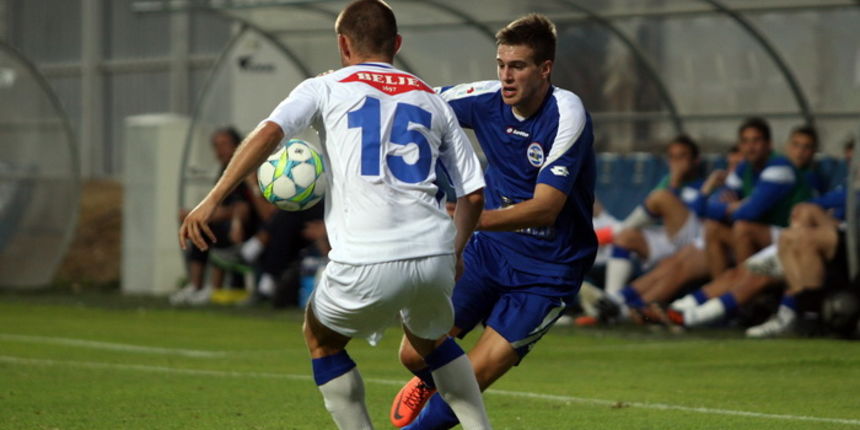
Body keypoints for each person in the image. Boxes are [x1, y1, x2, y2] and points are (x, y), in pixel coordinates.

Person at [179, 1, 492, 429]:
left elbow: (270, 133)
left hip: (367, 257)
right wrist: (454, 253)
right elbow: (473, 195)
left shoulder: (325, 87)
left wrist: (212, 198)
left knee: (320, 338)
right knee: (431, 343)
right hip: (434, 253)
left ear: (343, 45)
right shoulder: (431, 98)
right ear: (397, 44)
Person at [391, 14, 596, 429]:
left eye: (517, 66)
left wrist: (469, 218)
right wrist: (358, 83)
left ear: (545, 69)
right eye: (501, 65)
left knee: (475, 375)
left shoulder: (567, 113)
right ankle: (432, 382)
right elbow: (415, 100)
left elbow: (545, 208)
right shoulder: (485, 98)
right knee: (413, 355)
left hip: (548, 270)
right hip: (490, 253)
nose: (505, 76)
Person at [172, 127, 256, 306]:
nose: (219, 150)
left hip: (248, 229)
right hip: (229, 225)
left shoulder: (245, 169)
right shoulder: (224, 171)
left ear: (237, 146)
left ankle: (213, 288)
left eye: (224, 145)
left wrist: (230, 221)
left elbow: (241, 207)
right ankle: (196, 286)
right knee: (200, 227)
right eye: (216, 146)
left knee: (209, 227)